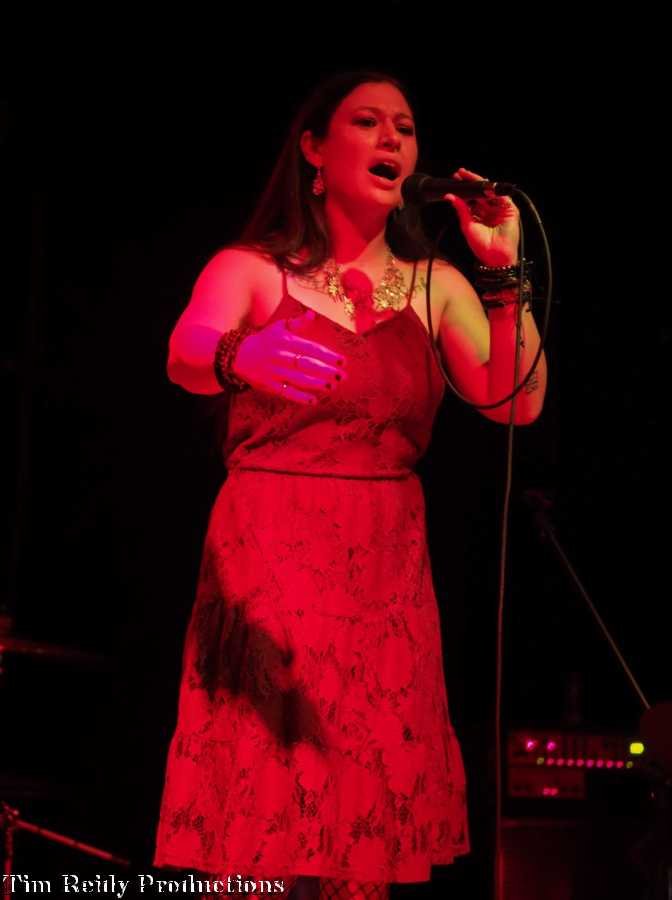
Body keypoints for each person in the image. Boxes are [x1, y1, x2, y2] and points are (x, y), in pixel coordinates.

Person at [153, 70, 547, 900]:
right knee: (265, 804)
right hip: (271, 553)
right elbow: (185, 353)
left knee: (357, 816)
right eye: (367, 121)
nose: (392, 138)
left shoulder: (433, 284)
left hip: (382, 573)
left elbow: (514, 400)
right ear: (313, 150)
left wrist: (502, 277)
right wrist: (239, 354)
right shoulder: (254, 269)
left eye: (404, 126)